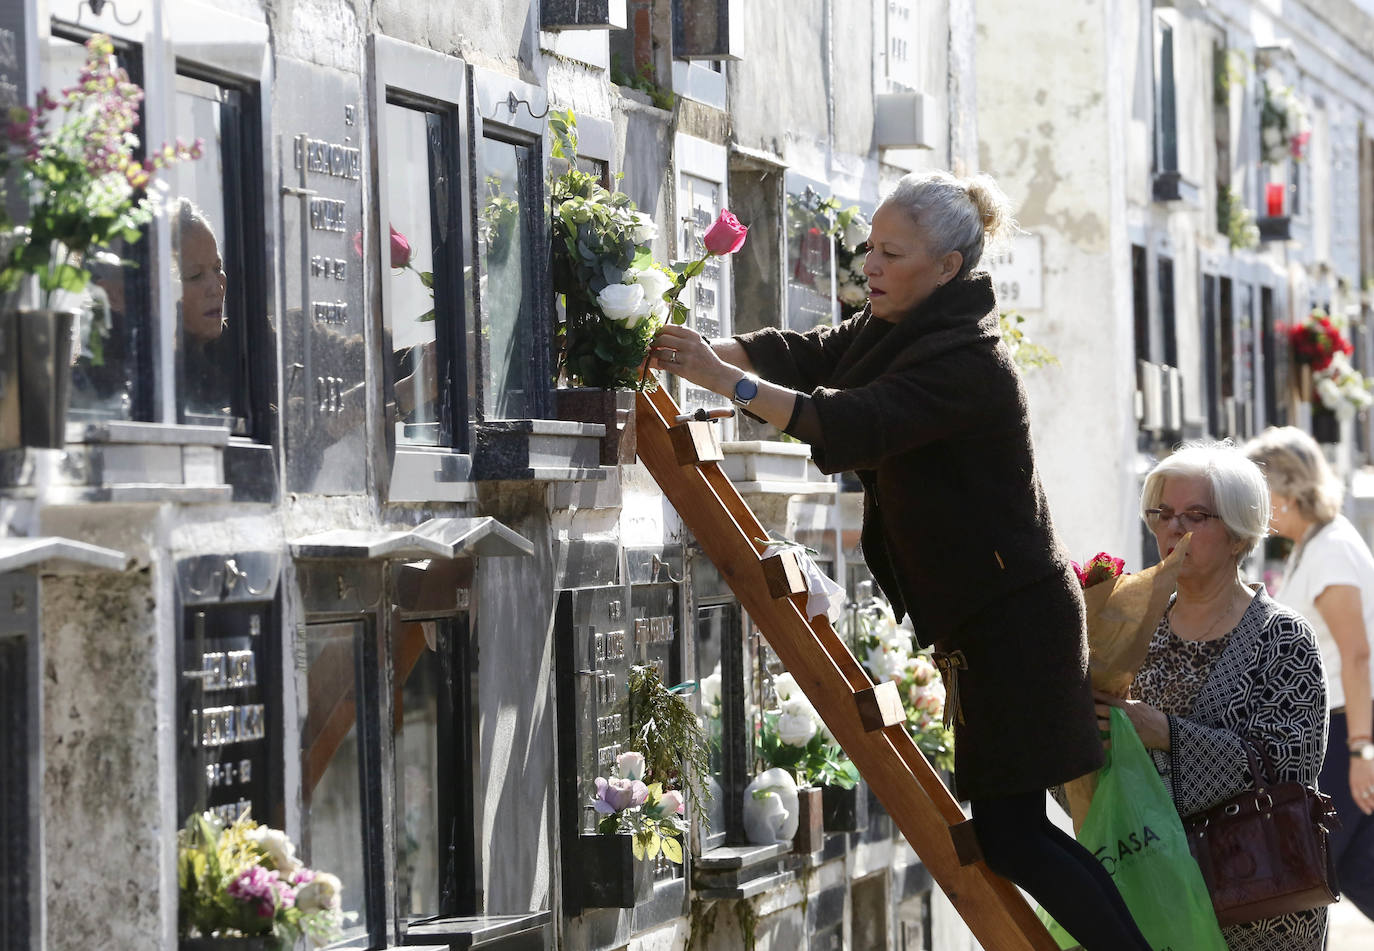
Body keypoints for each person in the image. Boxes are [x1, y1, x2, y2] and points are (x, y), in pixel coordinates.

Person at [650, 170, 1151, 949]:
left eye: (892, 251)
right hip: (990, 623)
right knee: (1016, 833)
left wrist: (725, 381)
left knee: (1015, 836)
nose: (869, 266)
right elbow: (811, 353)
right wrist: (690, 352)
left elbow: (852, 422)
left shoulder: (968, 360)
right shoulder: (898, 326)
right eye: (868, 249)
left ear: (947, 267)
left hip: (1017, 625)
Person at [1098, 441, 1328, 949]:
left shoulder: (1283, 638)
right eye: (1163, 514)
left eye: (1195, 515)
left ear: (1237, 533)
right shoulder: (1128, 626)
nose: (1173, 529)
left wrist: (1167, 736)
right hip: (1151, 895)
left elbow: (1289, 768)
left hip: (1256, 909)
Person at [1246, 426, 1374, 923]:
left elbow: (1357, 654)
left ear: (1287, 489)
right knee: (1356, 868)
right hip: (1336, 729)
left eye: (1258, 493)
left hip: (1346, 730)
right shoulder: (1315, 544)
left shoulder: (1331, 549)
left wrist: (1362, 750)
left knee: (1314, 873)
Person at [171, 198, 232, 419]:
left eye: (218, 268)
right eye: (194, 275)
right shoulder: (156, 376)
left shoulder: (244, 343)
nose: (215, 287)